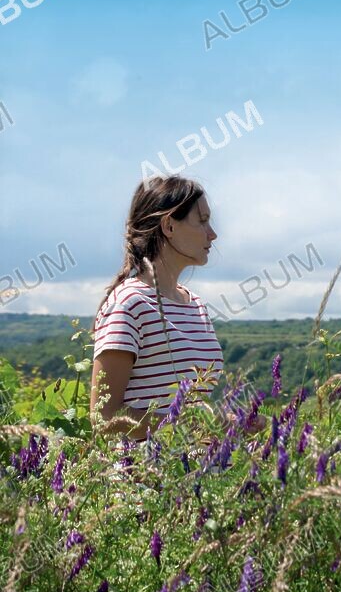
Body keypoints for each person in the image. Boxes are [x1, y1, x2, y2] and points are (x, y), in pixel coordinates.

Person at [90, 177, 262, 441]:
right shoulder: (129, 304)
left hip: (195, 475)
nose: (212, 233)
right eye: (202, 220)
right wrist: (198, 427)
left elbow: (190, 408)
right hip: (142, 478)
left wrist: (232, 423)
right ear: (169, 226)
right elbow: (104, 417)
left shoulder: (195, 305)